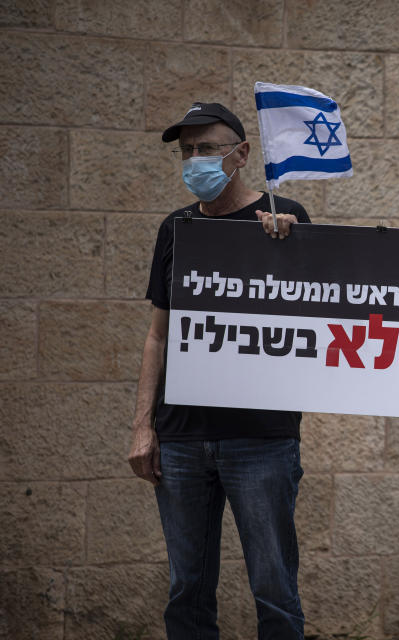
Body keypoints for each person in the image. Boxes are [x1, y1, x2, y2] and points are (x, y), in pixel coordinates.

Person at [128, 102, 310, 639]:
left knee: (274, 590)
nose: (194, 160)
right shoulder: (176, 228)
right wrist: (143, 425)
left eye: (207, 148)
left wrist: (296, 245)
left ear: (242, 154)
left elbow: (320, 312)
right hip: (181, 440)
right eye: (187, 152)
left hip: (261, 441)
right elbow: (157, 335)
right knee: (187, 591)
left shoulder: (285, 218)